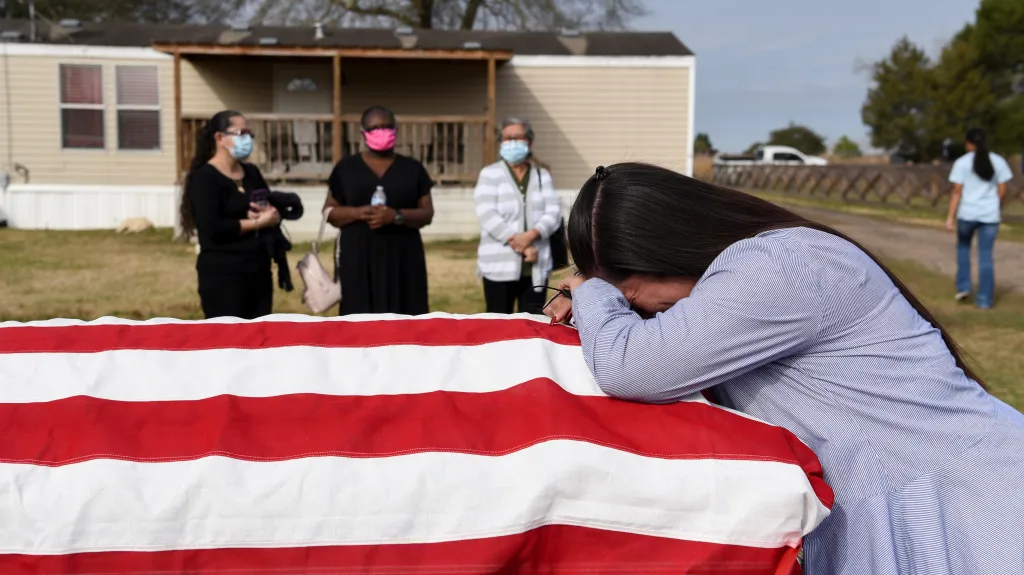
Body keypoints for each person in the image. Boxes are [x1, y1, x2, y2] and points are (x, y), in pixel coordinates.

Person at [545, 163, 1024, 575]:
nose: (631, 305)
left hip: (973, 515)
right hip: (928, 508)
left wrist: (590, 292)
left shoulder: (779, 265)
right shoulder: (764, 266)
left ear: (665, 250)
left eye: (626, 291)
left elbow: (632, 367)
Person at [323, 105, 434, 315]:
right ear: (363, 133)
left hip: (403, 257)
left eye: (387, 127)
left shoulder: (412, 169)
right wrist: (357, 213)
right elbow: (329, 211)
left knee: (405, 317)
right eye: (374, 128)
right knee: (359, 320)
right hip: (358, 257)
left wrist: (397, 216)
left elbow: (427, 213)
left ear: (396, 130)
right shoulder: (346, 168)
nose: (381, 132)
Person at [181, 110, 281, 319]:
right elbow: (212, 228)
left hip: (258, 271)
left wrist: (272, 215)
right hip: (223, 274)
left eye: (250, 134)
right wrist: (256, 223)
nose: (247, 139)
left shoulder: (251, 172)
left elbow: (268, 205)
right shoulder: (204, 178)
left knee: (259, 339)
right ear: (220, 138)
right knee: (229, 341)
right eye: (241, 133)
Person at [473, 117, 562, 314]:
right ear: (500, 142)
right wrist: (522, 245)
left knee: (532, 324)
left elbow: (554, 212)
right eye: (507, 138)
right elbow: (487, 213)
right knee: (497, 324)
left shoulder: (542, 175)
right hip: (498, 264)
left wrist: (531, 235)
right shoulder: (489, 174)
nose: (513, 142)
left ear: (529, 141)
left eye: (518, 137)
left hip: (536, 265)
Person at [945, 127, 1013, 309]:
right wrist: (995, 204)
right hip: (989, 216)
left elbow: (957, 191)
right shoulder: (998, 161)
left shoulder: (961, 163)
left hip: (967, 213)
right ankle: (984, 300)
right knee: (985, 256)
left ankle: (964, 287)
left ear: (968, 144)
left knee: (963, 249)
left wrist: (950, 216)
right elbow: (1003, 188)